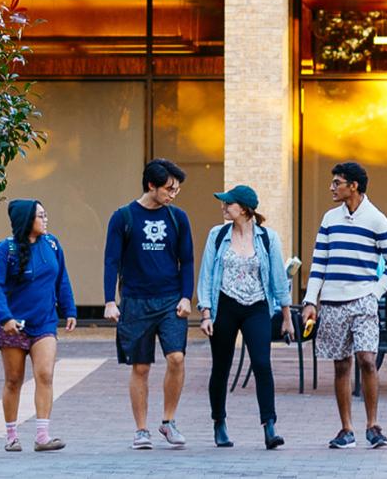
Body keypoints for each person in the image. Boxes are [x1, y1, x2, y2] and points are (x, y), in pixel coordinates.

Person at [302, 161, 387, 450]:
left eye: (337, 182)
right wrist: (311, 301)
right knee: (341, 365)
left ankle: (373, 425)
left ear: (353, 186)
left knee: (367, 360)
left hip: (363, 302)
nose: (331, 187)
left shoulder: (377, 220)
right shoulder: (330, 219)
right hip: (332, 302)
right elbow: (319, 262)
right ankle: (346, 429)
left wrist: (375, 292)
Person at [103, 158, 195, 450]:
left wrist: (185, 296)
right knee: (140, 367)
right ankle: (141, 430)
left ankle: (168, 422)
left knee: (176, 358)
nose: (173, 194)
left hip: (170, 300)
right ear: (151, 185)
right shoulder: (123, 217)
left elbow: (188, 260)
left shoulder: (178, 218)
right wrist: (109, 301)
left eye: (177, 189)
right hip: (135, 302)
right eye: (169, 188)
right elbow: (111, 261)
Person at [196, 185, 291, 449]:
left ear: (245, 209)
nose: (224, 207)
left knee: (262, 363)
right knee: (221, 367)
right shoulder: (217, 235)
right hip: (224, 305)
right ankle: (219, 423)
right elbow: (205, 275)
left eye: (229, 204)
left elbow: (278, 279)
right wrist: (205, 313)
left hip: (257, 307)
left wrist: (286, 315)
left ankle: (269, 426)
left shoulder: (267, 238)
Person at [0, 200, 77, 453]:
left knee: (45, 374)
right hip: (13, 325)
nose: (45, 219)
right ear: (27, 220)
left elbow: (62, 279)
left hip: (44, 322)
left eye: (46, 214)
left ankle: (42, 435)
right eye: (40, 216)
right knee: (14, 380)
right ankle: (12, 436)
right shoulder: (6, 249)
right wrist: (5, 318)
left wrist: (69, 309)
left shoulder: (52, 244)